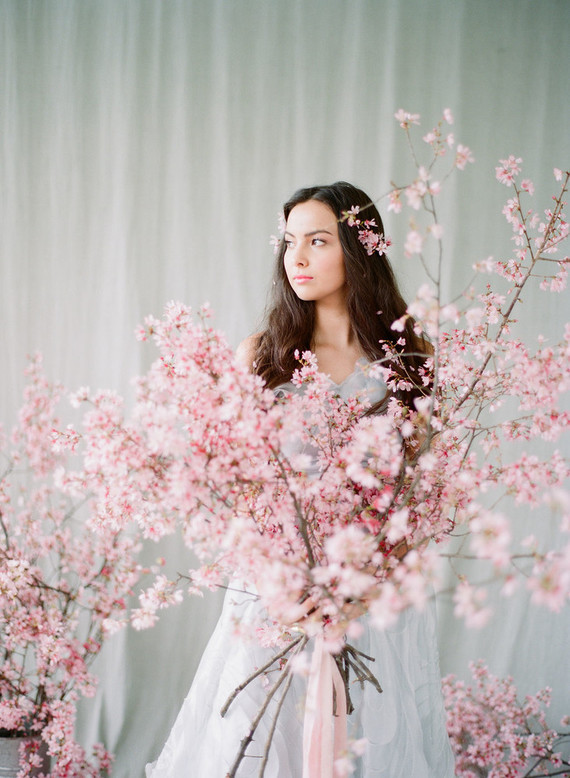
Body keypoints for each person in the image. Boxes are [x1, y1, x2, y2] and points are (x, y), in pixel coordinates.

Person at [146, 182, 455, 777]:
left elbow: (418, 493)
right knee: (263, 736)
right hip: (275, 586)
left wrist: (371, 579)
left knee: (374, 733)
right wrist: (280, 580)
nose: (298, 259)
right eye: (290, 242)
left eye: (318, 241)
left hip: (372, 589)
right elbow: (239, 486)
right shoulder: (261, 357)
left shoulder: (408, 360)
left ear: (360, 250)